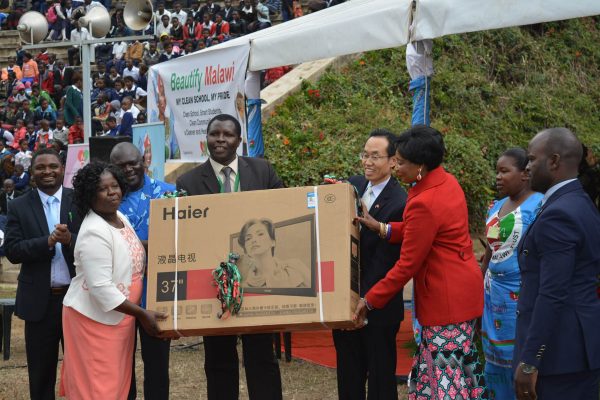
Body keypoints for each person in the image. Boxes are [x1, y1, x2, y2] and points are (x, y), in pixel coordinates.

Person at [354, 125, 487, 399]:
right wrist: (381, 227)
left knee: (446, 381)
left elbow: (407, 265)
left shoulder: (424, 200)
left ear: (421, 166)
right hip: (463, 293)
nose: (396, 166)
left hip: (446, 300)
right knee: (452, 373)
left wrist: (369, 300)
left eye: (401, 162)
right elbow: (421, 229)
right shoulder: (445, 182)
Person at [176, 113, 283, 400]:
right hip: (214, 283)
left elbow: (283, 210)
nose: (220, 139)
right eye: (214, 134)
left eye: (227, 134)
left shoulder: (263, 171)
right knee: (219, 360)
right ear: (206, 139)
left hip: (257, 280)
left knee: (262, 357)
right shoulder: (188, 182)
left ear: (239, 140)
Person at [59, 161, 167, 399]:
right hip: (93, 321)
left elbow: (132, 249)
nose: (112, 192)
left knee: (117, 385)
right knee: (98, 389)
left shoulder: (117, 216)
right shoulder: (93, 232)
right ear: (89, 194)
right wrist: (140, 313)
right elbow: (101, 289)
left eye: (115, 185)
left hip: (118, 319)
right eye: (103, 189)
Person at [513, 128, 600, 400]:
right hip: (576, 351)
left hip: (558, 356)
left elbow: (553, 293)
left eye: (531, 159)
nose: (526, 167)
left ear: (554, 161)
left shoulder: (559, 213)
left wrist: (530, 361)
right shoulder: (578, 201)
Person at [332, 129, 407, 400]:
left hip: (379, 305)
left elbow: (392, 260)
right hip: (346, 301)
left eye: (376, 156)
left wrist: (366, 299)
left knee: (380, 380)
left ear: (393, 162)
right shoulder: (352, 187)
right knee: (348, 377)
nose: (368, 162)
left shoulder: (402, 202)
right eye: (365, 155)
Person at [3, 148, 80, 400]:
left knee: (81, 370)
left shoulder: (79, 199)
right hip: (39, 304)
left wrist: (70, 240)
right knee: (41, 374)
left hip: (77, 301)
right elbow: (12, 250)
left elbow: (95, 243)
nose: (47, 171)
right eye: (41, 167)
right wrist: (46, 242)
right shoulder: (18, 206)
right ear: (32, 172)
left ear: (62, 169)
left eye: (53, 166)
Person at [109, 142, 175, 400]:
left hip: (156, 295)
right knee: (120, 368)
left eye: (132, 163)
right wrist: (147, 244)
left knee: (157, 367)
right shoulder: (107, 198)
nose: (128, 169)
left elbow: (178, 242)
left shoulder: (169, 194)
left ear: (144, 161)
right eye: (121, 165)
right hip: (119, 299)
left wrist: (131, 243)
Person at [481, 148, 543, 400]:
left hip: (521, 296)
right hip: (492, 297)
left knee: (519, 365)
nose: (498, 177)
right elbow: (489, 251)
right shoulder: (495, 207)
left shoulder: (539, 205)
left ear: (525, 174)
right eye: (497, 171)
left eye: (505, 171)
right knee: (494, 373)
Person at [237, 218, 310, 288]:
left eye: (260, 234)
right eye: (248, 238)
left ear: (272, 242)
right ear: (246, 250)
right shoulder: (244, 285)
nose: (254, 240)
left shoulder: (295, 267)